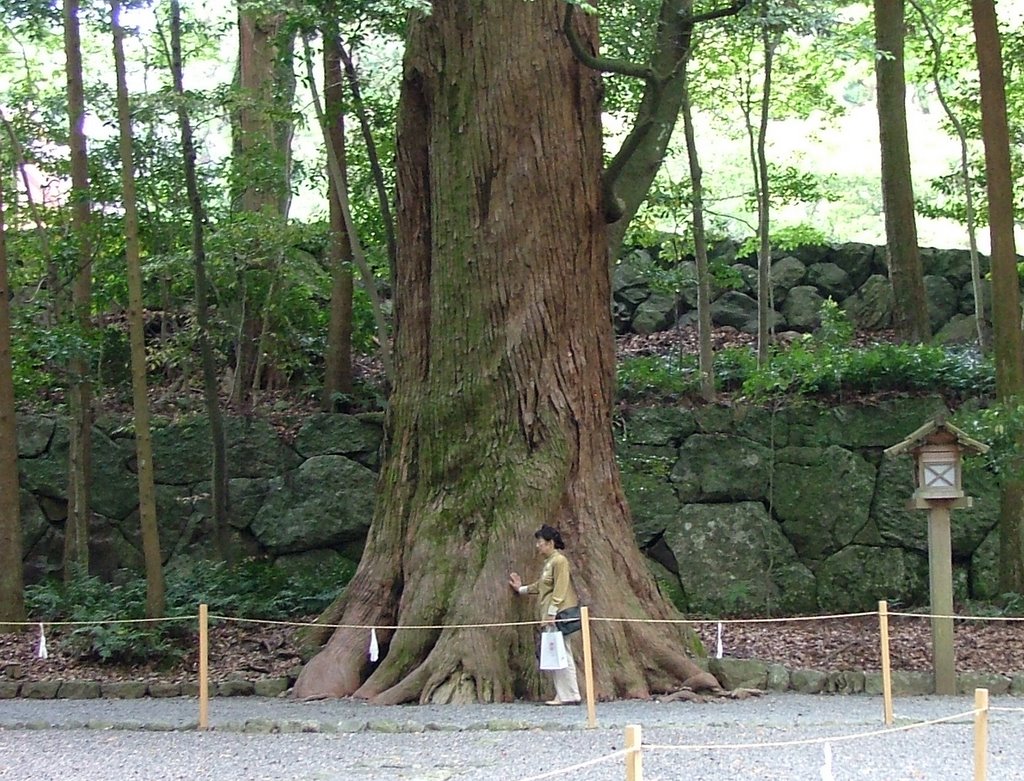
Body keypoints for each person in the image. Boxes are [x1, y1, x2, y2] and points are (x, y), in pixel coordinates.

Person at [508, 524, 581, 705]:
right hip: (551, 613)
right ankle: (567, 693)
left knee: (562, 651)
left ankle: (568, 694)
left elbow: (560, 587)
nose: (538, 546)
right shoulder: (549, 563)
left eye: (540, 542)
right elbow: (541, 586)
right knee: (559, 651)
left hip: (557, 614)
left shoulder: (560, 561)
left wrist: (552, 612)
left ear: (550, 543)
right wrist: (521, 589)